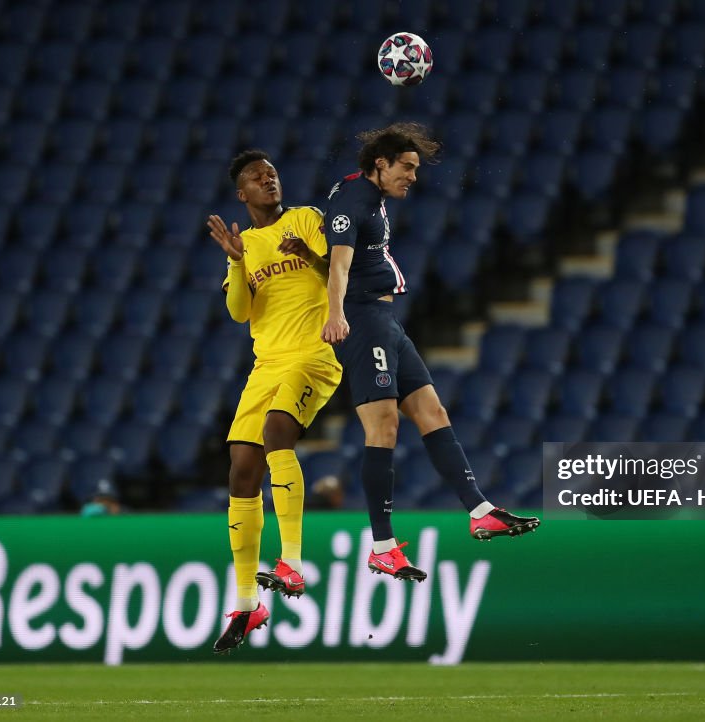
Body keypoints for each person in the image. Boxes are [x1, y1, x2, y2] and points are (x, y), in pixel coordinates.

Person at [321, 123, 540, 582]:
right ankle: (381, 544)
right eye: (407, 167)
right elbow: (339, 264)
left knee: (433, 411)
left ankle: (479, 510)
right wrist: (336, 314)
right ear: (380, 164)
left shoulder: (367, 196)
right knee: (383, 425)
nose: (413, 177)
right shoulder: (353, 201)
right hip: (362, 320)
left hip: (386, 322)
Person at [208, 149, 342, 654]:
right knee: (242, 468)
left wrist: (306, 255)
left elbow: (341, 267)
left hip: (314, 353)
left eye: (273, 173)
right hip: (266, 365)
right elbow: (240, 312)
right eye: (256, 177)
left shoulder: (308, 219)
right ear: (241, 194)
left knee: (277, 433)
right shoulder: (243, 245)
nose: (268, 179)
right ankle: (246, 603)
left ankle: (291, 561)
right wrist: (238, 262)